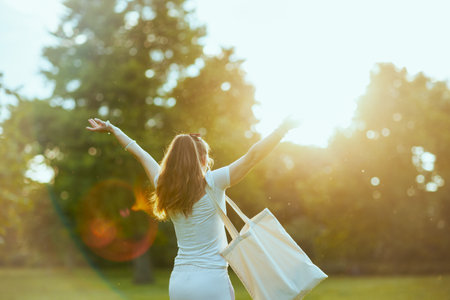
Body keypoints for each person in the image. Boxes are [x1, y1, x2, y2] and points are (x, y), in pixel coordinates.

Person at [86, 117, 297, 300]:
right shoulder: (213, 182)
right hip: (211, 282)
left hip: (179, 282)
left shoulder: (163, 184)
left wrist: (113, 129)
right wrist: (282, 129)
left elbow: (139, 153)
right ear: (203, 159)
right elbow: (252, 156)